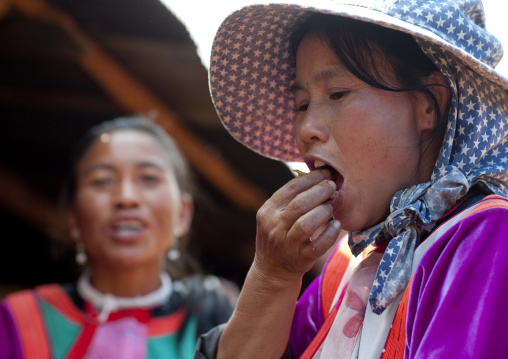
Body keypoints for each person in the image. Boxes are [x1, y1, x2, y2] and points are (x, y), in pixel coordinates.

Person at [195, 0, 508, 358]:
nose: (307, 129)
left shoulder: (485, 233)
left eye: (338, 93)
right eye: (302, 105)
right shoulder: (346, 264)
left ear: (427, 104)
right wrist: (273, 277)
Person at [0, 116, 236, 358]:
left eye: (148, 178)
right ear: (73, 218)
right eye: (102, 181)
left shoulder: (221, 322)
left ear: (183, 215)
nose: (126, 197)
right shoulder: (19, 321)